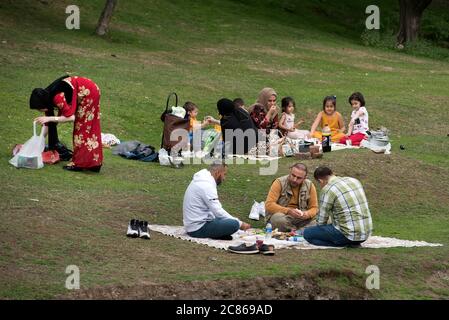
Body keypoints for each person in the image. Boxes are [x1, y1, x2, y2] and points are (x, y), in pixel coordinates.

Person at [30, 75, 103, 172]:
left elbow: (71, 117)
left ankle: (79, 164)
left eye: (39, 108)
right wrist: (39, 141)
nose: (40, 110)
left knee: (81, 128)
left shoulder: (57, 97)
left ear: (42, 104)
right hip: (89, 89)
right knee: (89, 128)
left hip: (88, 92)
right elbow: (48, 124)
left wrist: (49, 118)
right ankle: (94, 164)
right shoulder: (46, 96)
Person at [303, 166, 373, 247]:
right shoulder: (354, 181)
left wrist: (319, 229)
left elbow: (322, 221)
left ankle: (344, 244)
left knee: (308, 233)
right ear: (332, 173)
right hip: (365, 234)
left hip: (347, 235)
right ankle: (351, 243)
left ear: (320, 181)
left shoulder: (328, 189)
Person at [183, 162, 251, 239]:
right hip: (197, 228)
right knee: (234, 224)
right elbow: (218, 211)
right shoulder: (206, 185)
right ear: (218, 173)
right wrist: (240, 224)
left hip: (194, 224)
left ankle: (219, 234)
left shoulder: (203, 179)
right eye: (224, 174)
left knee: (229, 221)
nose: (224, 178)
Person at [265, 163, 318, 232]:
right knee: (277, 219)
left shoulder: (310, 185)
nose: (294, 180)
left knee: (326, 219)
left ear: (304, 178)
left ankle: (297, 231)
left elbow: (314, 208)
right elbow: (269, 205)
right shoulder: (279, 182)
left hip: (301, 218)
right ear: (290, 172)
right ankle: (301, 231)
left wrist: (307, 214)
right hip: (284, 217)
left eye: (299, 178)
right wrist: (288, 211)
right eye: (293, 175)